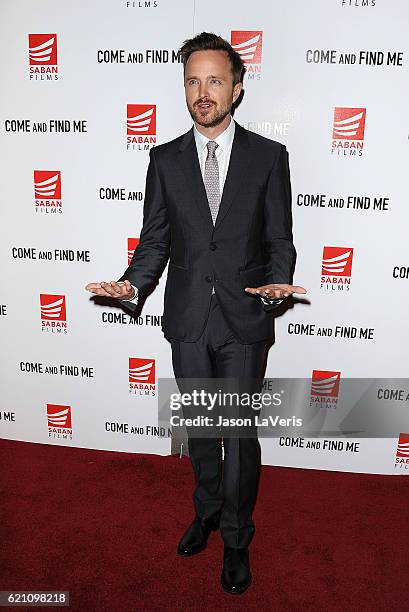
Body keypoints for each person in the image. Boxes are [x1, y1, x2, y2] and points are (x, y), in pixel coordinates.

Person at [86, 32, 306, 595]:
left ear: (237, 88)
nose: (202, 92)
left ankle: (235, 538)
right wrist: (131, 284)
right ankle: (206, 511)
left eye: (213, 80)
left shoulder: (268, 157)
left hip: (244, 319)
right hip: (186, 318)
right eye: (192, 81)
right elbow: (155, 242)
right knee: (203, 429)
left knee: (237, 431)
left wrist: (277, 285)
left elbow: (279, 238)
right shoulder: (164, 159)